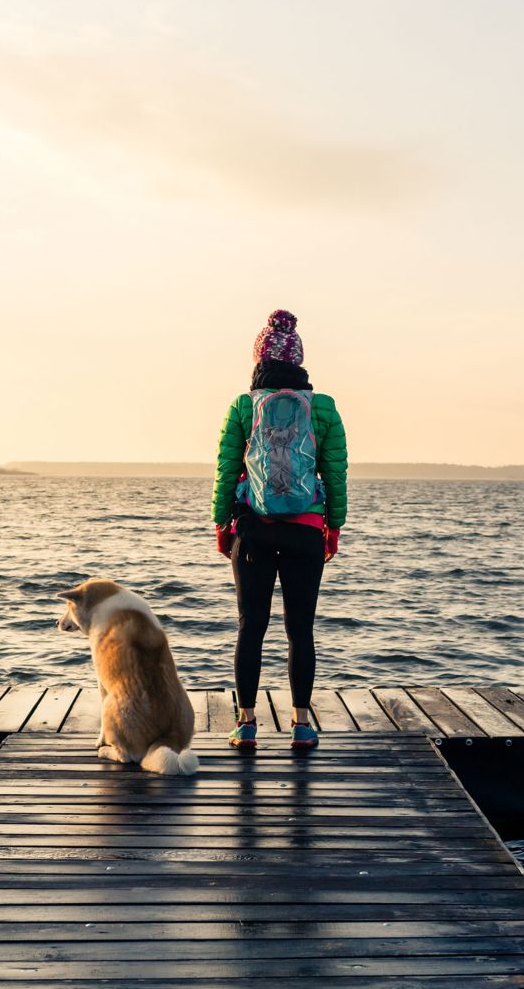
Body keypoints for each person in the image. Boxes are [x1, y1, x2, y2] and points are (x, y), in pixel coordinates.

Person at [212, 309, 348, 750]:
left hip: (254, 528)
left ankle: (247, 724)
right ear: (300, 363)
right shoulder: (323, 408)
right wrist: (334, 526)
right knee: (300, 629)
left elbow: (226, 468)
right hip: (306, 531)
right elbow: (335, 472)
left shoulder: (242, 406)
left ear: (259, 360)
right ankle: (301, 725)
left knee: (251, 625)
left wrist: (221, 523)